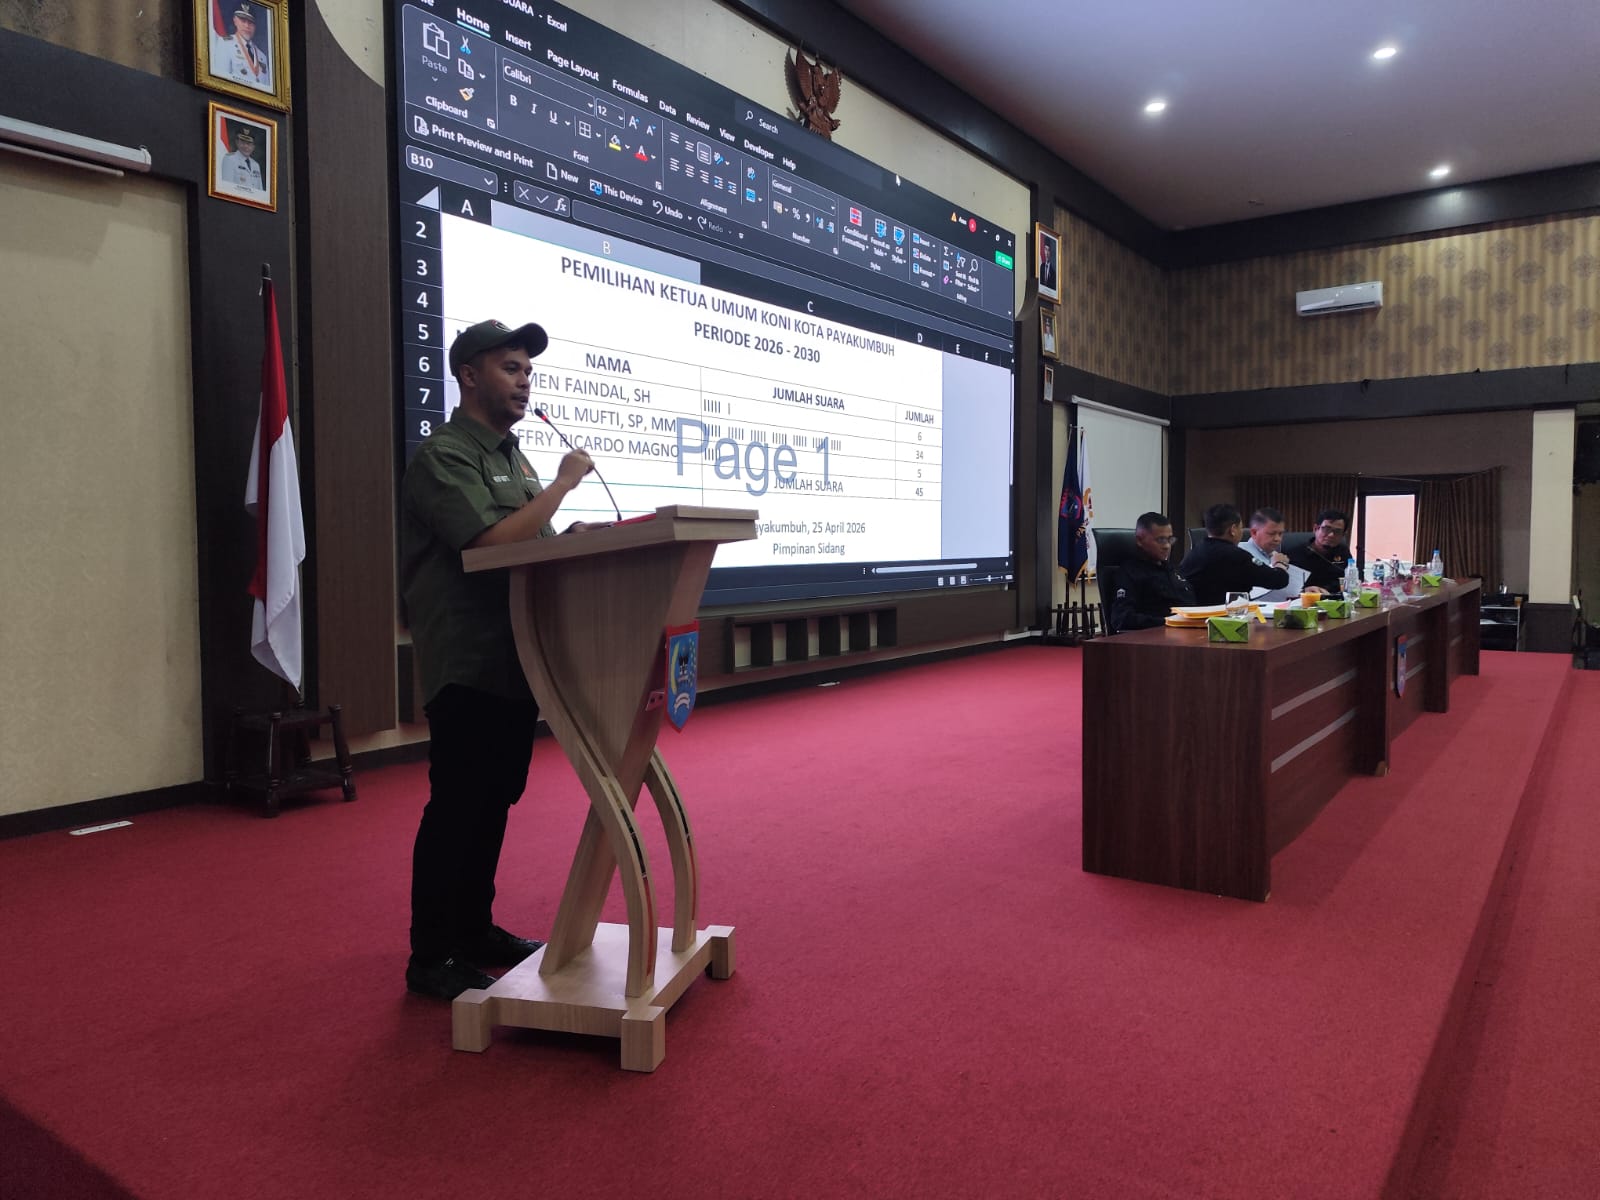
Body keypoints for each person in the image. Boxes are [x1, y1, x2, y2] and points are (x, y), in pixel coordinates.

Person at [399, 318, 598, 1000]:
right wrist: (563, 487)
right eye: (511, 368)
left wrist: (569, 536)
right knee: (458, 805)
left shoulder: (516, 460)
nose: (525, 381)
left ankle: (474, 929)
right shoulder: (444, 456)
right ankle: (431, 956)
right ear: (469, 375)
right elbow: (487, 547)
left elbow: (528, 543)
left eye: (529, 371)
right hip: (468, 659)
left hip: (519, 659)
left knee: (494, 802)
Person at [1177, 502, 1290, 605]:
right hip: (1226, 616)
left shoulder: (1195, 552)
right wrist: (1280, 563)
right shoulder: (1236, 556)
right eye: (1241, 527)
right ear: (1233, 529)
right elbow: (1278, 580)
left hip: (1192, 614)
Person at [1108, 512, 1197, 632]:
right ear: (1140, 540)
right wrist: (1167, 621)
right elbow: (1121, 619)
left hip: (1190, 631)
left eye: (1170, 539)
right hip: (1159, 636)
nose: (1167, 546)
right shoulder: (1131, 573)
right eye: (1161, 540)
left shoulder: (1172, 570)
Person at [1288, 508, 1354, 593]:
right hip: (1305, 598)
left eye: (1337, 531)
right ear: (1316, 529)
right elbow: (1288, 587)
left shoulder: (1343, 552)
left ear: (1343, 535)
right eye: (1326, 529)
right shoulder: (1296, 553)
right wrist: (1303, 591)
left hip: (1333, 598)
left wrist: (1327, 589)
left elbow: (1352, 579)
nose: (1331, 535)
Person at [216, 5, 269, 87]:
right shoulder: (225, 44)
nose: (247, 26)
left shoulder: (262, 56)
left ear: (255, 26)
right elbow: (221, 82)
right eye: (243, 21)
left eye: (250, 23)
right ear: (235, 21)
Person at [218, 125, 262, 192]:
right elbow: (226, 187)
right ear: (237, 142)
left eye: (249, 143)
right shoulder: (229, 159)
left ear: (253, 147)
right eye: (242, 142)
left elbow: (260, 191)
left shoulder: (256, 165)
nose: (245, 146)